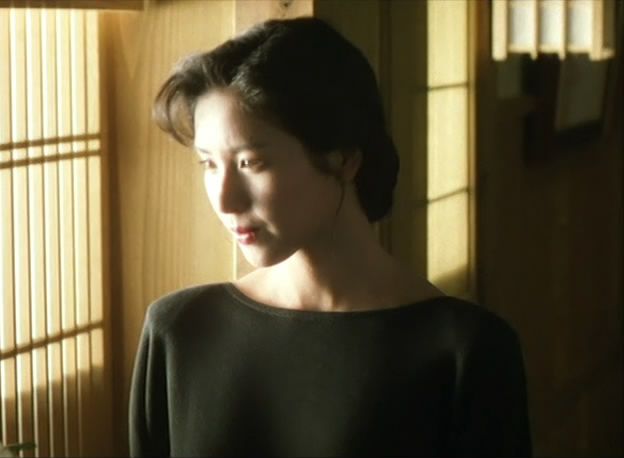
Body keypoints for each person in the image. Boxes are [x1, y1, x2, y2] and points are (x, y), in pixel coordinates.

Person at [128, 16, 532, 457]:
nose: (224, 199)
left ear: (344, 158)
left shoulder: (465, 351)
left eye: (250, 163)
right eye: (209, 164)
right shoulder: (178, 331)